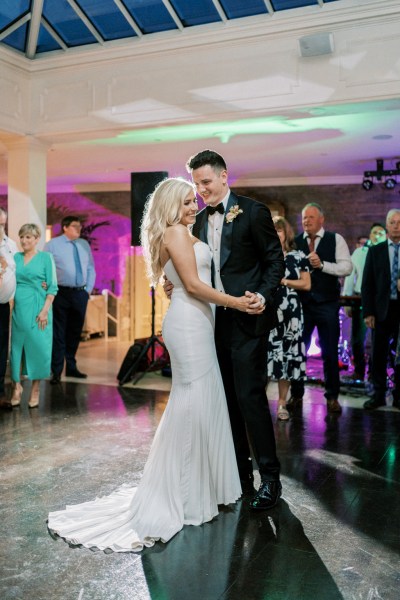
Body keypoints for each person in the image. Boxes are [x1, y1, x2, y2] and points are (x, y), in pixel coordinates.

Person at [48, 177, 250, 552]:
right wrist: (236, 302)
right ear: (173, 206)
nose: (195, 206)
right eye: (188, 202)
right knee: (192, 400)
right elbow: (190, 283)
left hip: (198, 321)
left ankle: (202, 485)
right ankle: (186, 492)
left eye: (195, 201)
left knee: (203, 397)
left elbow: (175, 280)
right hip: (189, 324)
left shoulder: (179, 234)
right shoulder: (175, 233)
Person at [183, 149, 284, 510]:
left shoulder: (253, 212)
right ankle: (240, 477)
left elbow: (275, 261)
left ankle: (271, 479)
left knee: (250, 398)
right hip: (211, 322)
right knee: (225, 402)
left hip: (248, 319)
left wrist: (261, 295)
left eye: (206, 182)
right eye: (196, 185)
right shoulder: (195, 221)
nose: (201, 191)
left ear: (225, 176)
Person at [290, 203, 352, 414]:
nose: (306, 221)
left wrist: (323, 265)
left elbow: (347, 267)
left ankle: (332, 397)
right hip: (303, 305)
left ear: (321, 219)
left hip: (327, 304)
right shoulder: (296, 242)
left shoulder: (336, 240)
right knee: (299, 352)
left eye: (311, 217)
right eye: (304, 218)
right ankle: (296, 394)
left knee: (329, 353)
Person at [9, 224, 58, 409]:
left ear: (37, 239)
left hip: (39, 308)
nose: (24, 241)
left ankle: (35, 389)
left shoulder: (46, 258)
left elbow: (52, 286)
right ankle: (16, 387)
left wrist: (45, 310)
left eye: (28, 237)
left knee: (39, 348)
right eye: (22, 237)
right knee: (15, 350)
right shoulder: (16, 257)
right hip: (19, 308)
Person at [267, 216, 311, 421]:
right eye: (273, 230)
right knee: (267, 356)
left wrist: (283, 281)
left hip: (291, 312)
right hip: (268, 311)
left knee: (286, 356)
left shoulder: (298, 255)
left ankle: (282, 404)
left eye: (280, 230)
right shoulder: (264, 255)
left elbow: (306, 284)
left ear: (286, 233)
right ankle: (257, 405)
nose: (276, 234)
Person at [44, 216, 96, 383]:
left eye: (80, 226)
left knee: (74, 332)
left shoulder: (84, 244)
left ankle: (72, 368)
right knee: (59, 333)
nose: (79, 229)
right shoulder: (52, 245)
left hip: (80, 294)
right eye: (75, 226)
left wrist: (87, 290)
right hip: (60, 293)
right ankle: (57, 371)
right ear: (65, 227)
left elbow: (90, 268)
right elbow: (46, 269)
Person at [361, 209, 400, 410]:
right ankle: (378, 394)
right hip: (381, 310)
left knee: (399, 356)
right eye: (392, 222)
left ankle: (399, 395)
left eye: (399, 222)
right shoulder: (375, 251)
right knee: (379, 353)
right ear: (387, 226)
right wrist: (368, 312)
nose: (396, 226)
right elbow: (367, 284)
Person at [342, 223, 386, 381]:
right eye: (374, 232)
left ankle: (375, 372)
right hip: (360, 297)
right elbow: (349, 275)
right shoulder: (360, 252)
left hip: (381, 300)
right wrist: (346, 298)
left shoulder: (389, 253)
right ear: (370, 235)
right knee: (357, 338)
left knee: (378, 340)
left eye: (381, 232)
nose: (377, 235)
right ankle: (359, 370)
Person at [0, 208, 17, 409]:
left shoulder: (11, 245)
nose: (0, 228)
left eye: (2, 224)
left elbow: (18, 271)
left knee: (2, 348)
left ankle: (0, 392)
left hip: (3, 306)